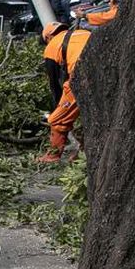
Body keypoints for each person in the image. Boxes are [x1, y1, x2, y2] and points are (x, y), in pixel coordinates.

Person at [38, 21, 91, 163]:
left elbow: (54, 84)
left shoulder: (52, 46)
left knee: (57, 120)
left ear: (48, 37)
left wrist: (58, 107)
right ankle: (83, 154)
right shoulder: (83, 33)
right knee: (94, 118)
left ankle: (52, 156)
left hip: (83, 76)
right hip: (108, 73)